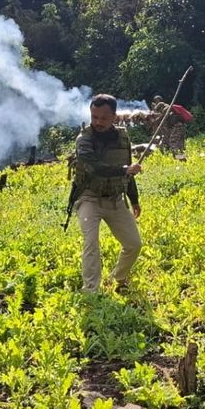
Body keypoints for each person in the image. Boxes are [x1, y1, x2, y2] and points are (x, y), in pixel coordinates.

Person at [74, 94, 143, 293]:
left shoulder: (123, 137)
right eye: (94, 117)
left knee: (133, 244)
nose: (98, 122)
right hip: (89, 198)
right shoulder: (84, 139)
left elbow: (129, 172)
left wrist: (134, 199)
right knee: (91, 243)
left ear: (114, 116)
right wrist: (125, 170)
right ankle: (91, 291)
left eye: (103, 118)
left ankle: (117, 279)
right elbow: (93, 168)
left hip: (115, 199)